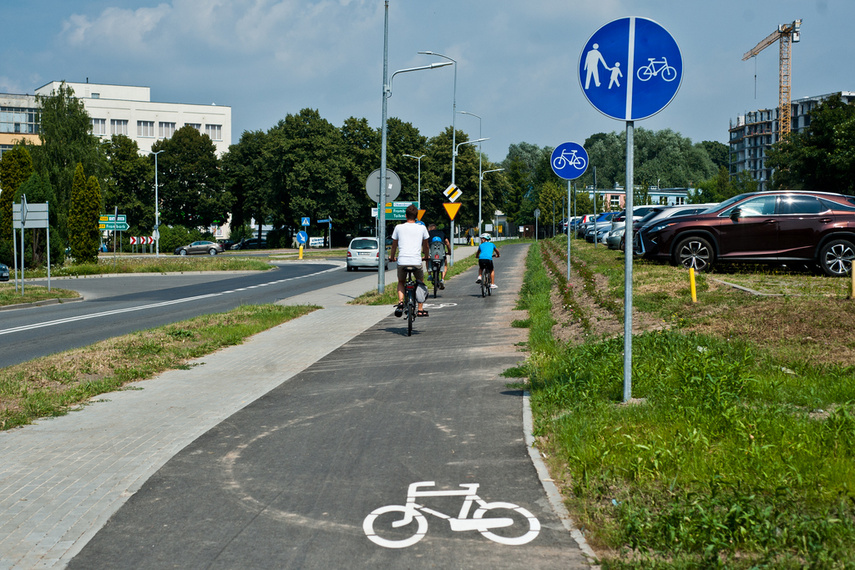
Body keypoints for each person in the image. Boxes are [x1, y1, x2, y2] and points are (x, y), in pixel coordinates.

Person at [389, 204, 431, 317]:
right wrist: (426, 256)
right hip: (416, 262)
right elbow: (426, 246)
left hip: (402, 261)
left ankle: (401, 302)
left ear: (406, 215)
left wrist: (392, 257)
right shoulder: (422, 228)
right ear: (417, 216)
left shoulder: (398, 227)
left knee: (401, 282)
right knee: (420, 282)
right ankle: (421, 308)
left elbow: (394, 246)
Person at [426, 223, 451, 290]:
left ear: (429, 229)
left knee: (427, 260)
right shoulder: (442, 233)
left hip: (431, 255)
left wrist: (425, 253)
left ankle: (430, 275)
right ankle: (442, 279)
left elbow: (425, 244)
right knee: (445, 264)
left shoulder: (428, 234)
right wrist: (449, 252)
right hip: (441, 254)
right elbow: (447, 243)